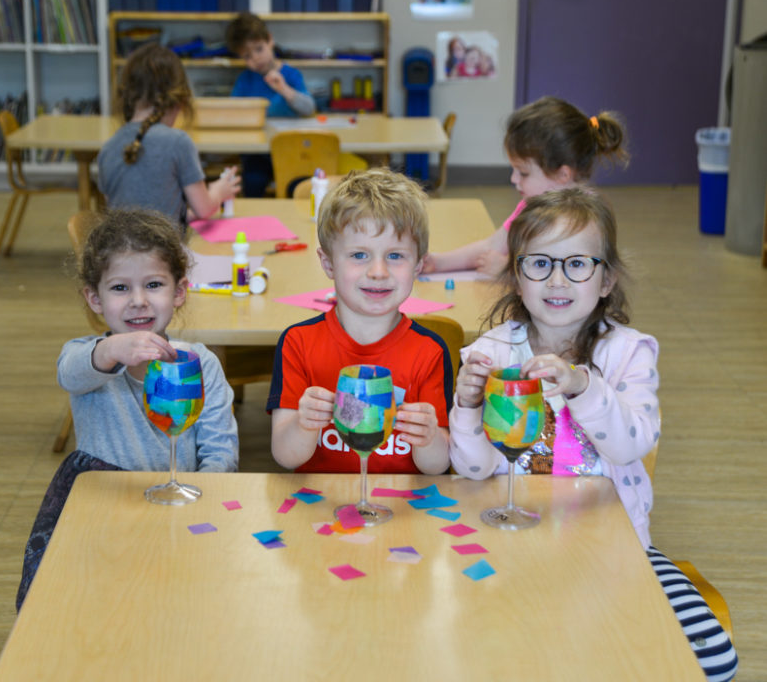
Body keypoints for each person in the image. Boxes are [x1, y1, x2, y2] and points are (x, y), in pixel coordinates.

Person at [448, 188, 738, 682]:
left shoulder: (627, 354)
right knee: (482, 649)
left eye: (578, 264)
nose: (557, 279)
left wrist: (583, 385)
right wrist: (467, 407)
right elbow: (473, 470)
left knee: (713, 660)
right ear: (516, 278)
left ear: (606, 279)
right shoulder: (494, 352)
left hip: (618, 547)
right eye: (539, 263)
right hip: (512, 543)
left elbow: (630, 444)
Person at [16, 209, 238, 611]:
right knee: (89, 604)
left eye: (154, 284)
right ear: (94, 298)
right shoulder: (87, 356)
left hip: (178, 508)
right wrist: (110, 351)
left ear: (179, 292)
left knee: (174, 601)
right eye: (120, 288)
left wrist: (203, 499)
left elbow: (220, 450)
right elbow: (71, 373)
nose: (138, 301)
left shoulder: (200, 364)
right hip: (102, 511)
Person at [268, 169, 452, 474]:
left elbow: (436, 467)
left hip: (403, 512)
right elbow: (286, 457)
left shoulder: (430, 351)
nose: (378, 271)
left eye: (395, 256)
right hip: (319, 508)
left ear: (418, 264)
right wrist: (303, 423)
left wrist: (429, 438)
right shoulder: (298, 343)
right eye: (359, 255)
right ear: (327, 263)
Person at [424, 96, 627, 277]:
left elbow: (566, 281)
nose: (513, 179)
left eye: (523, 173)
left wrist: (508, 271)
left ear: (562, 174)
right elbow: (492, 246)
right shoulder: (530, 206)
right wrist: (438, 262)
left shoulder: (587, 220)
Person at [97, 43, 240, 228]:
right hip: (163, 255)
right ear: (179, 101)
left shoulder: (107, 149)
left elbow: (129, 217)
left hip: (120, 254)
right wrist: (219, 192)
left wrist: (185, 215)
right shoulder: (178, 142)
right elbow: (204, 209)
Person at [225, 12, 316, 197]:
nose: (255, 59)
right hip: (257, 153)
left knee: (297, 185)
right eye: (247, 56)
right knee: (252, 181)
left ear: (270, 41)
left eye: (259, 49)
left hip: (291, 151)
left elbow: (309, 108)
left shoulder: (291, 75)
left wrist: (284, 89)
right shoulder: (245, 80)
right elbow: (232, 114)